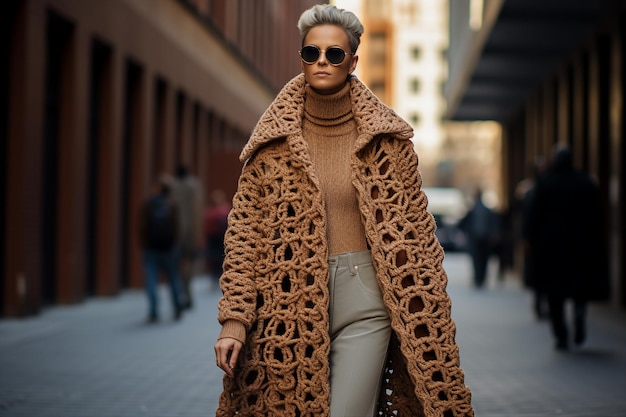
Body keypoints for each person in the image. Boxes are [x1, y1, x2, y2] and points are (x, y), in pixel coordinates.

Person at [213, 5, 473, 417]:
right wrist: (234, 320)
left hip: (366, 298)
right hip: (287, 299)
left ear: (352, 60)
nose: (321, 62)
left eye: (334, 54)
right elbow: (246, 239)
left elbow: (416, 241)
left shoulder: (388, 144)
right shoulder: (271, 146)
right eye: (311, 53)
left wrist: (425, 315)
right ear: (301, 56)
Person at [523, 145, 609, 351]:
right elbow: (598, 217)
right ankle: (579, 314)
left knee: (555, 295)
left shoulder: (545, 183)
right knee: (579, 288)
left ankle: (561, 336)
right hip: (581, 247)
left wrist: (530, 239)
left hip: (551, 248)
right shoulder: (586, 183)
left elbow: (534, 215)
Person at [139, 176, 185, 323]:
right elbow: (177, 227)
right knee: (173, 279)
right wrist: (176, 245)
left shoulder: (148, 204)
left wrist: (144, 244)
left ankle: (153, 312)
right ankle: (177, 307)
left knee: (152, 281)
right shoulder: (172, 204)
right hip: (169, 249)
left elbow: (142, 227)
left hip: (151, 249)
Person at [516, 156, 548, 319]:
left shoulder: (547, 187)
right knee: (538, 274)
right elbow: (524, 216)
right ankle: (539, 304)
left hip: (548, 240)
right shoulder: (528, 190)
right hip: (537, 241)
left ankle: (545, 304)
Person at [169, 164, 203, 309]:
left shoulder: (172, 187)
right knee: (189, 264)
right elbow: (196, 209)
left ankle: (179, 295)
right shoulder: (194, 186)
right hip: (189, 232)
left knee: (176, 266)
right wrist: (197, 233)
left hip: (174, 232)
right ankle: (187, 293)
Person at [459, 188, 500, 288]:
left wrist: (464, 232)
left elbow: (463, 223)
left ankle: (478, 278)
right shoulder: (487, 210)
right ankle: (481, 278)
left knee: (477, 259)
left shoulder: (472, 210)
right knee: (483, 259)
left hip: (475, 238)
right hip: (484, 238)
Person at [203, 189, 231, 287]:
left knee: (218, 259)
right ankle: (217, 279)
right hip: (218, 239)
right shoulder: (225, 209)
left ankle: (218, 279)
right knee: (217, 260)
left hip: (218, 240)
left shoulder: (211, 211)